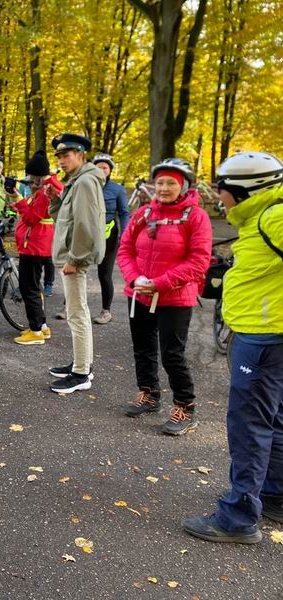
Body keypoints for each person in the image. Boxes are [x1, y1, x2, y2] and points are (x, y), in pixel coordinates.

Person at [183, 151, 283, 543]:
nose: (218, 195)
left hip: (263, 337)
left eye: (223, 189)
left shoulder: (273, 217)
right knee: (273, 420)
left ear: (244, 190)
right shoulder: (263, 216)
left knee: (249, 426)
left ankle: (238, 518)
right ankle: (273, 496)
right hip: (266, 334)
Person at [117, 158, 211, 435]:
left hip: (175, 297)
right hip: (140, 294)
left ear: (183, 186)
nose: (164, 187)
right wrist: (135, 279)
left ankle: (185, 407)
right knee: (142, 348)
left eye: (171, 182)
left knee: (172, 354)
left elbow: (199, 261)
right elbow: (125, 250)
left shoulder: (196, 217)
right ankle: (149, 395)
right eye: (159, 182)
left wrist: (160, 283)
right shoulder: (144, 213)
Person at [47, 133, 105, 394]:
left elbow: (85, 225)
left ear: (81, 155)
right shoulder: (76, 181)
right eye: (59, 156)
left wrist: (75, 258)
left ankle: (81, 373)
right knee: (76, 311)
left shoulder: (83, 183)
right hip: (72, 257)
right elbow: (67, 219)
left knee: (77, 314)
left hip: (75, 259)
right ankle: (82, 364)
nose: (61, 160)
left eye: (66, 155)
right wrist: (54, 200)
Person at [8, 150, 61, 345]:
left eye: (31, 177)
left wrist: (18, 200)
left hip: (35, 247)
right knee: (33, 287)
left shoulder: (47, 191)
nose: (29, 180)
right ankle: (42, 326)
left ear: (38, 175)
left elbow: (31, 218)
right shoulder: (42, 189)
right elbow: (32, 212)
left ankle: (36, 332)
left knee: (28, 288)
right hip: (34, 246)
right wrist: (19, 204)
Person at [91, 154, 130, 325]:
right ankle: (68, 306)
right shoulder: (87, 186)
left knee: (104, 274)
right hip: (87, 234)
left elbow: (123, 212)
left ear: (110, 171)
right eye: (98, 167)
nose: (101, 170)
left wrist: (125, 233)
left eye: (105, 168)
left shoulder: (117, 189)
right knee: (77, 270)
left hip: (109, 235)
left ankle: (106, 311)